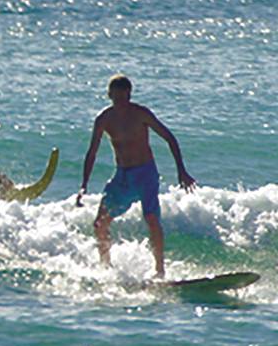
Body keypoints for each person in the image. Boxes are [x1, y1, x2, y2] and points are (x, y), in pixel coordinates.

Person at [77, 74, 197, 279]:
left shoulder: (141, 114)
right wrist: (84, 184)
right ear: (110, 95)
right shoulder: (104, 119)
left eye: (125, 95)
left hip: (145, 173)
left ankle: (160, 271)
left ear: (130, 94)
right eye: (117, 96)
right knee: (100, 223)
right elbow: (92, 152)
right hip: (122, 176)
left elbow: (169, 138)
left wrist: (181, 170)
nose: (121, 100)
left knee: (151, 218)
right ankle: (106, 268)